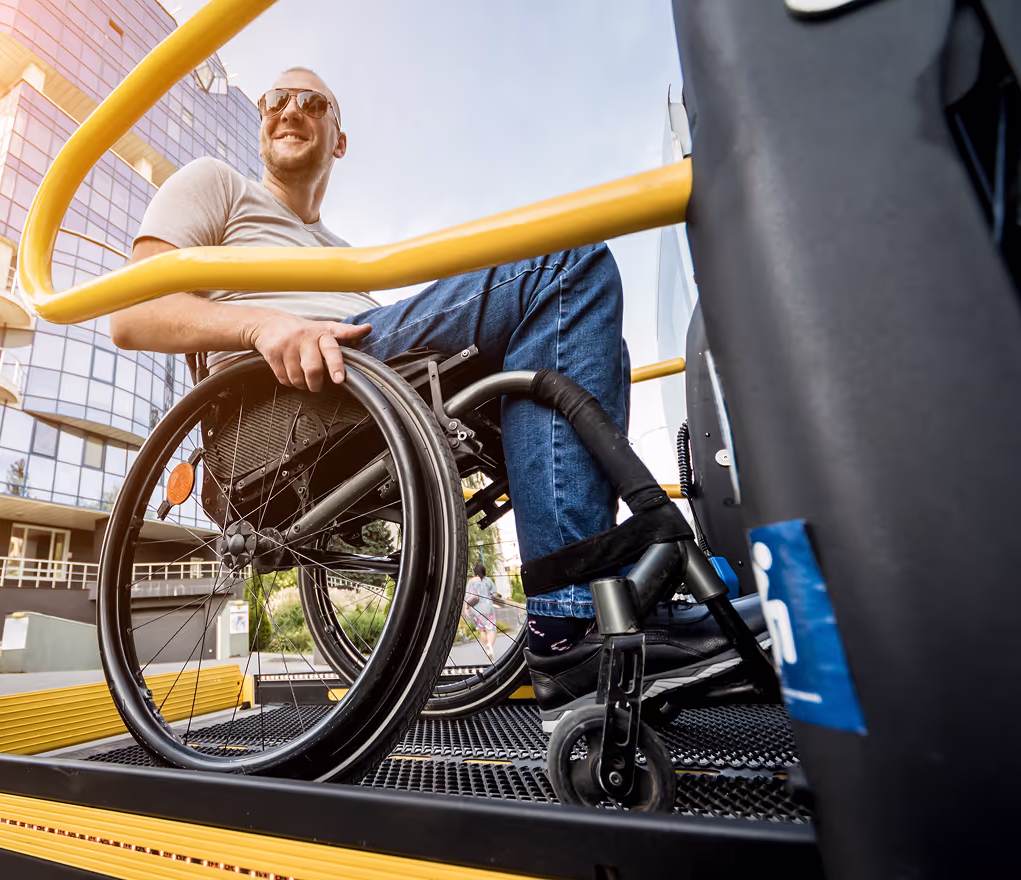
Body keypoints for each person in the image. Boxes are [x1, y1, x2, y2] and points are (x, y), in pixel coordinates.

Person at [111, 67, 764, 725]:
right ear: (260, 120)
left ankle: (601, 601)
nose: (290, 109)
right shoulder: (218, 185)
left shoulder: (344, 253)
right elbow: (132, 314)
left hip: (363, 371)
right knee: (568, 265)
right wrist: (263, 325)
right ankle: (568, 623)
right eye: (275, 99)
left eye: (312, 102)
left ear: (339, 138)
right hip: (287, 394)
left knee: (584, 346)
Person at [463, 562, 498, 660]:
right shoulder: (488, 581)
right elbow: (494, 594)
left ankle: (487, 645)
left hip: (477, 609)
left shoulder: (471, 582)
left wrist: (466, 608)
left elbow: (467, 596)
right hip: (488, 607)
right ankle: (490, 646)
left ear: (475, 572)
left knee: (482, 629)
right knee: (491, 628)